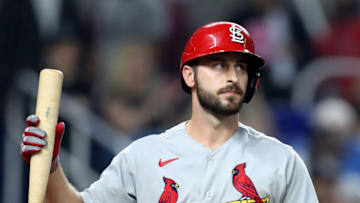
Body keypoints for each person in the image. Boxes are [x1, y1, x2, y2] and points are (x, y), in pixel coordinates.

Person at [21, 21, 319, 203]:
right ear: (189, 76)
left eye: (241, 67)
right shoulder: (143, 156)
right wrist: (51, 167)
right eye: (219, 65)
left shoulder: (282, 161)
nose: (232, 76)